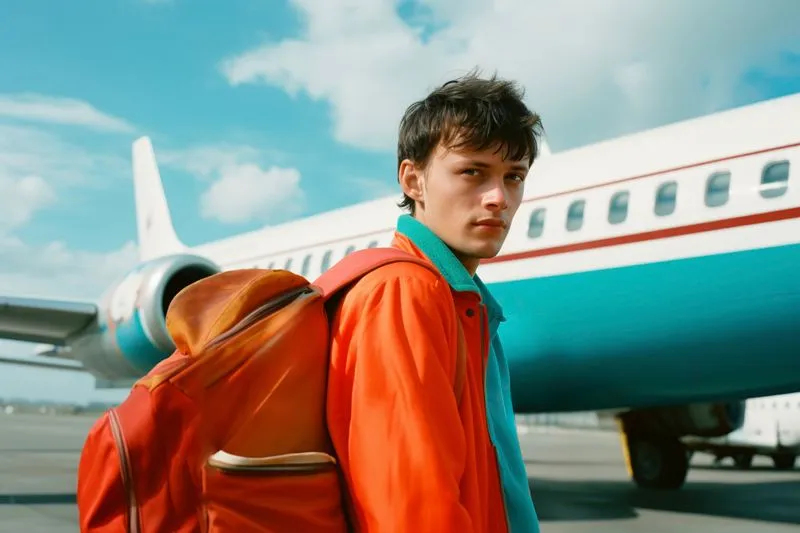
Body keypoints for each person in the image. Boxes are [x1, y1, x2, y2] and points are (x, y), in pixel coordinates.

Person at [325, 69, 544, 532]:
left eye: (513, 177)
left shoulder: (465, 304)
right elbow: (412, 508)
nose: (497, 198)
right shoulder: (403, 291)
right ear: (413, 180)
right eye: (472, 172)